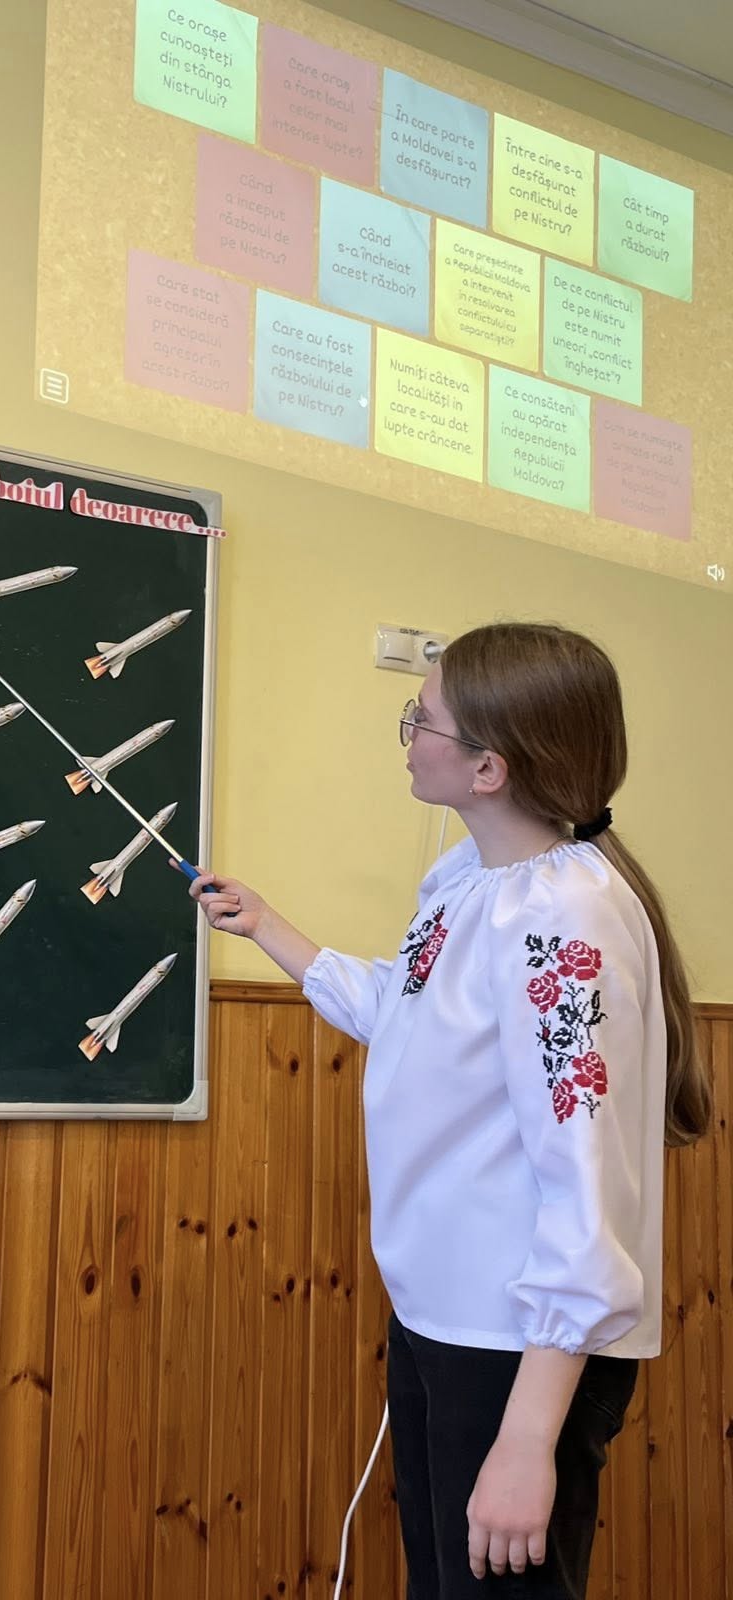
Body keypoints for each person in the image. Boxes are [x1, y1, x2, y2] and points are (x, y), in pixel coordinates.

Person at [187, 622, 710, 1599]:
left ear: (488, 769)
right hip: (443, 1323)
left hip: (520, 1355)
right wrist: (267, 926)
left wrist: (527, 1439)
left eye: (420, 719)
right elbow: (407, 1012)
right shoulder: (469, 880)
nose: (408, 734)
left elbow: (586, 1194)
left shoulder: (564, 920)